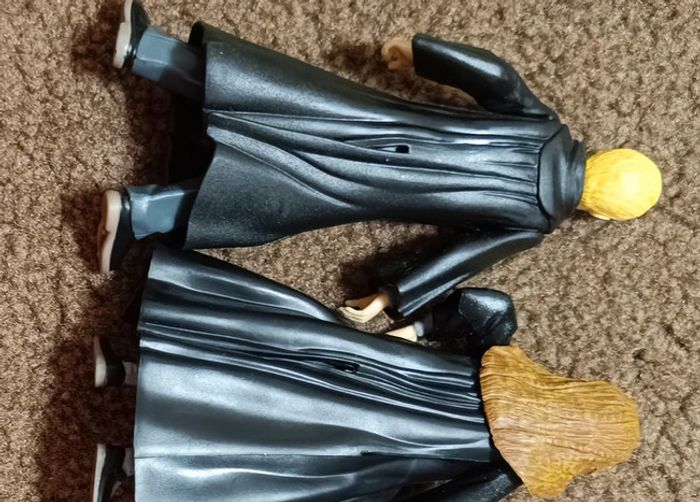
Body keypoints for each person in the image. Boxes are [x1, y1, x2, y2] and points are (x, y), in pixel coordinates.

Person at [90, 246, 640, 502]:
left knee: (269, 370)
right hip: (369, 440)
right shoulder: (510, 449)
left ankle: (127, 378)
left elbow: (489, 307)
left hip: (367, 377)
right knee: (267, 458)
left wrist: (414, 327)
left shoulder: (505, 369)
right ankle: (127, 454)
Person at [98, 2, 662, 326]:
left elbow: (496, 76)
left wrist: (422, 53)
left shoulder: (544, 126)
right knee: (271, 194)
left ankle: (146, 51)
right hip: (366, 186)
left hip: (371, 120)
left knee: (275, 96)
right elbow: (460, 258)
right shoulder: (532, 223)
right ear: (599, 213)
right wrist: (393, 295)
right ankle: (140, 212)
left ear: (603, 154)